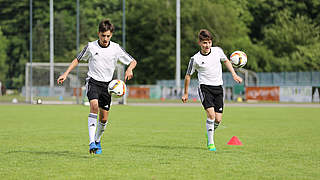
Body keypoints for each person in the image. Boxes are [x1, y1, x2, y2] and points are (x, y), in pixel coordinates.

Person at [57, 19, 137, 154]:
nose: (105, 39)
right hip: (93, 82)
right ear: (98, 33)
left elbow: (133, 61)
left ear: (111, 35)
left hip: (107, 86)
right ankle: (91, 142)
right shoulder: (91, 46)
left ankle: (97, 140)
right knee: (93, 106)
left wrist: (130, 69)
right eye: (103, 35)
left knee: (104, 119)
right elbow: (77, 59)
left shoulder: (116, 48)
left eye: (108, 36)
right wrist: (66, 73)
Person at [181, 29, 242, 151]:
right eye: (204, 43)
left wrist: (234, 74)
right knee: (211, 115)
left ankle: (209, 132)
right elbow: (188, 76)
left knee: (218, 119)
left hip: (218, 88)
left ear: (211, 42)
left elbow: (226, 61)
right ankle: (211, 143)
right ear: (199, 43)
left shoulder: (217, 51)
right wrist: (186, 93)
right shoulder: (195, 59)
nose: (207, 45)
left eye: (209, 42)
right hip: (205, 88)